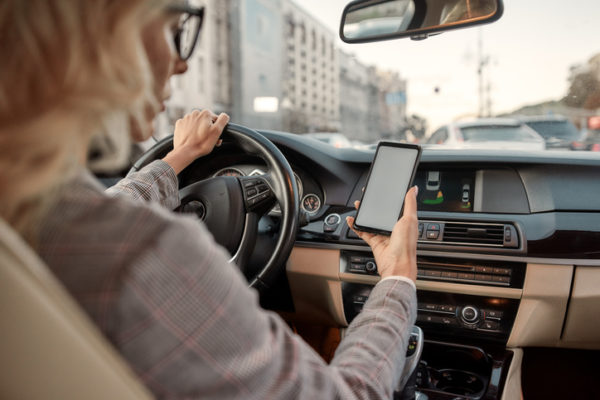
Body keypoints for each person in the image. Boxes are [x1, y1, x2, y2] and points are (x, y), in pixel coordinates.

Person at [0, 1, 419, 399]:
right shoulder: (148, 254)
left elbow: (119, 200)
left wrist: (181, 157)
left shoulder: (39, 214)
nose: (181, 62)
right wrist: (397, 281)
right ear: (101, 37)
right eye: (173, 30)